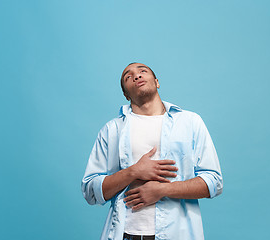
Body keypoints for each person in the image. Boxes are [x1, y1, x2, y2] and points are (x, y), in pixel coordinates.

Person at [82, 63, 223, 240]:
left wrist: (163, 190)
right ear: (126, 94)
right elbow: (90, 191)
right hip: (126, 234)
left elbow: (213, 182)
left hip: (177, 234)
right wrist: (134, 171)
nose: (137, 76)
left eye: (143, 71)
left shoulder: (190, 122)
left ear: (156, 82)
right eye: (128, 76)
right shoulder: (112, 130)